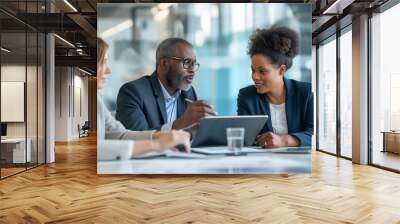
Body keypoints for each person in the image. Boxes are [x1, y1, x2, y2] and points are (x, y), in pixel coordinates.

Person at [97, 38, 191, 160]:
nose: (109, 70)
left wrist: (159, 136)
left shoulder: (96, 99)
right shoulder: (133, 91)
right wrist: (156, 144)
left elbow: (120, 134)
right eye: (103, 63)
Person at [115, 38, 216, 133]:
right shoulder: (132, 92)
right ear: (164, 63)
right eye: (186, 62)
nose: (192, 70)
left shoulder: (188, 92)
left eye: (194, 64)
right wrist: (181, 124)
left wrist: (202, 129)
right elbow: (136, 138)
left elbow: (191, 135)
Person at [237, 26, 313, 148]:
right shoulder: (247, 97)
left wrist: (284, 141)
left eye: (262, 71)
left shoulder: (306, 93)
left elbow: (315, 134)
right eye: (253, 70)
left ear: (281, 70)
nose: (255, 77)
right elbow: (246, 138)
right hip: (263, 163)